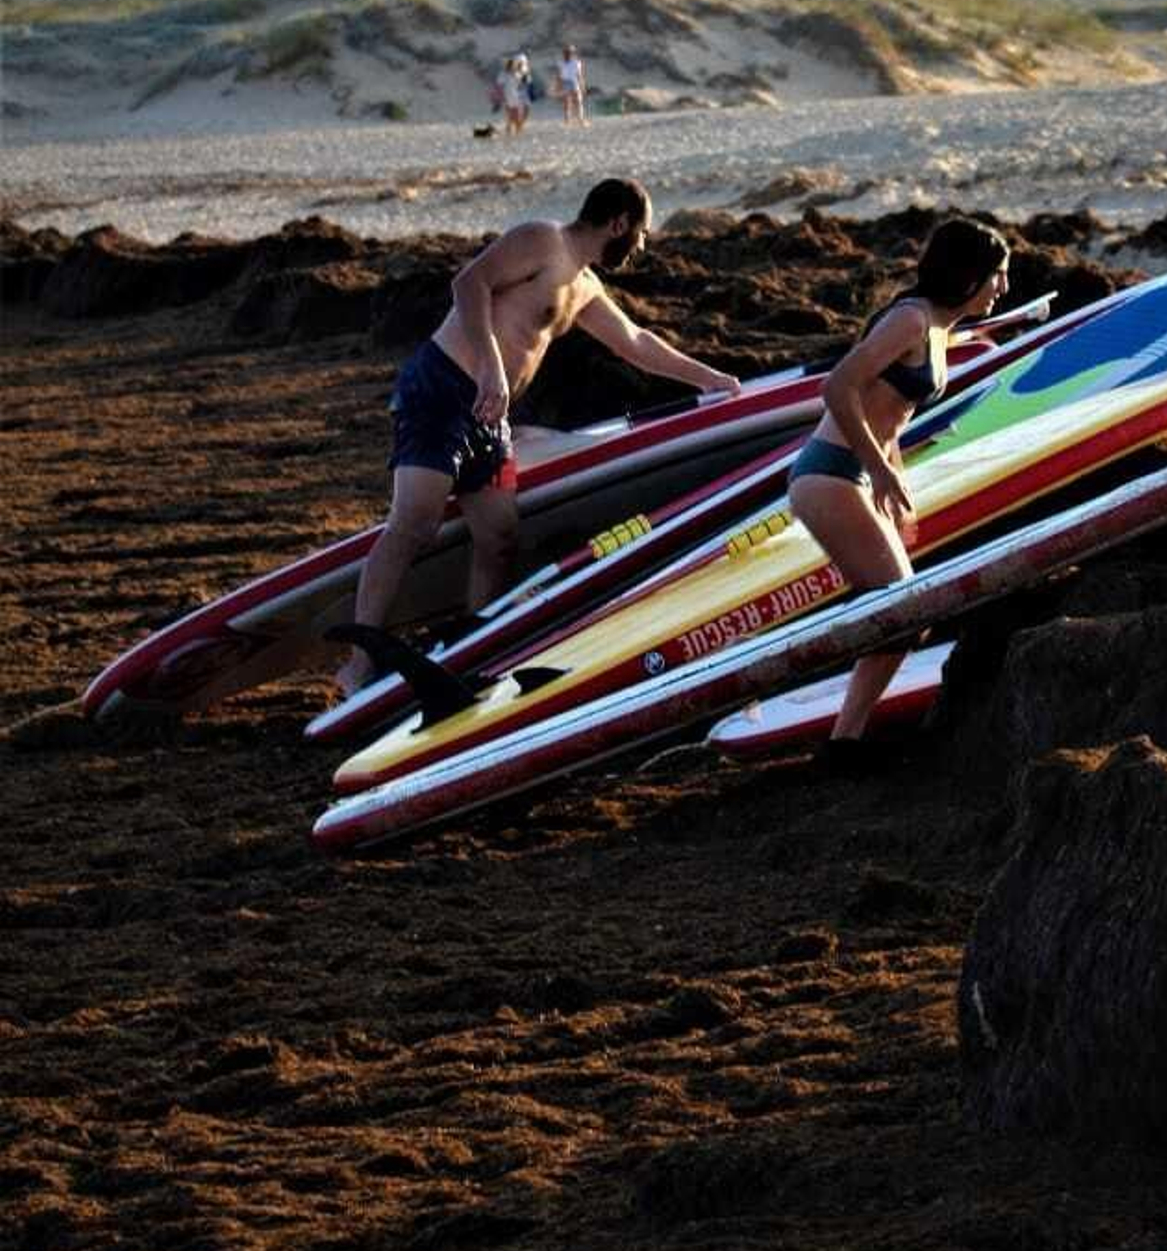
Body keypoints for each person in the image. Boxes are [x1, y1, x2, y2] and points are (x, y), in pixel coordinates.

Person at [334, 178, 739, 697]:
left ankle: (469, 652)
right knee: (415, 521)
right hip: (442, 387)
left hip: (489, 411)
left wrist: (710, 379)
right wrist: (490, 366)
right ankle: (359, 663)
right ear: (618, 222)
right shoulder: (541, 240)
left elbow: (637, 343)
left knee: (500, 538)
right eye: (639, 234)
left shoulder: (585, 284)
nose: (639, 247)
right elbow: (468, 284)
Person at [787, 217, 1010, 763]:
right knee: (902, 609)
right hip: (830, 472)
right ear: (968, 275)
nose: (1003, 288)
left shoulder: (936, 325)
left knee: (900, 611)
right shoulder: (911, 320)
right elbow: (837, 386)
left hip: (854, 476)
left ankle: (847, 737)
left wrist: (894, 478)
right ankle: (843, 741)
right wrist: (876, 469)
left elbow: (891, 412)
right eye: (998, 275)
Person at [555, 42, 587, 125]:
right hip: (566, 82)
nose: (568, 54)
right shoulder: (561, 63)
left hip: (573, 82)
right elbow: (559, 76)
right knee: (567, 103)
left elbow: (579, 75)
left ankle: (580, 120)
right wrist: (558, 86)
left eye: (569, 52)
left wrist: (582, 85)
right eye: (566, 52)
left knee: (578, 102)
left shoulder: (576, 62)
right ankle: (568, 121)